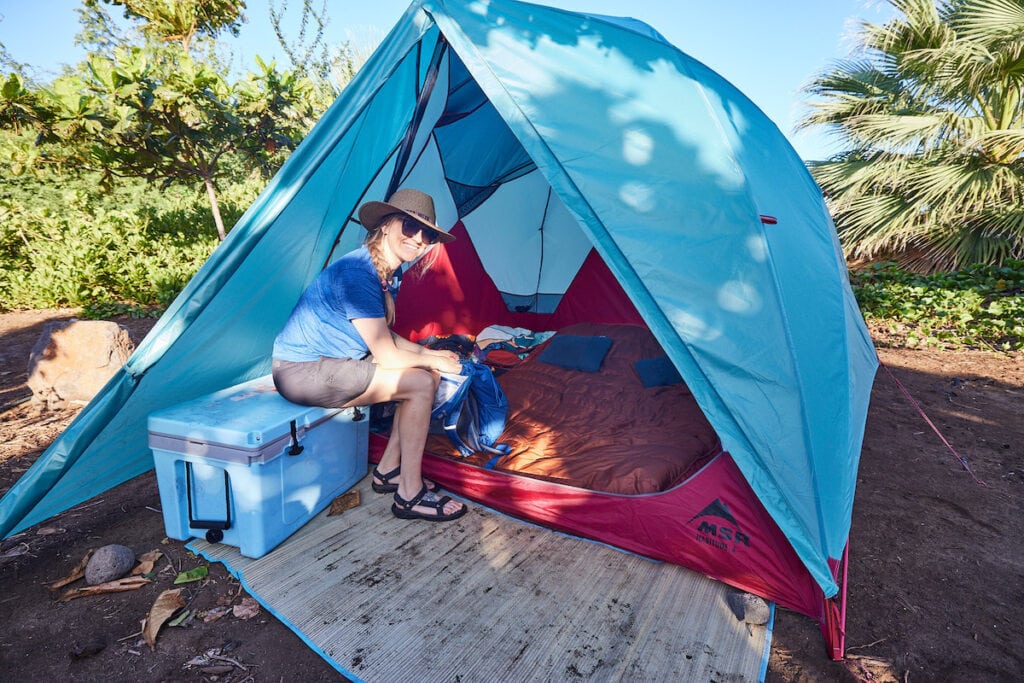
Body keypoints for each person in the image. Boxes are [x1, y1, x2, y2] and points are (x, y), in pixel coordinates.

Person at [272, 188, 467, 522]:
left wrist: (429, 353)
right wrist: (431, 359)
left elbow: (380, 333)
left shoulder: (385, 272)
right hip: (302, 371)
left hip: (334, 363)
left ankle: (389, 470)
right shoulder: (357, 274)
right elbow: (388, 356)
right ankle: (409, 493)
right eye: (409, 226)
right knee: (420, 382)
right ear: (387, 225)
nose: (419, 238)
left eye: (428, 234)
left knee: (427, 375)